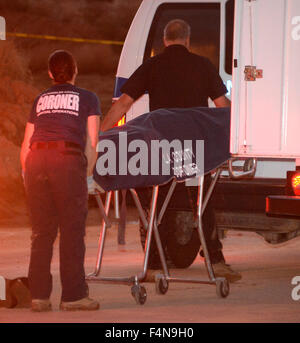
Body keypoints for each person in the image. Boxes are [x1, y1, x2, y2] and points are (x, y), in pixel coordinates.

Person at [101, 19, 241, 282]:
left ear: (165, 40)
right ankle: (217, 261)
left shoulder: (152, 66)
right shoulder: (203, 66)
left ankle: (154, 265)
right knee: (203, 202)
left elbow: (122, 105)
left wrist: (101, 137)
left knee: (155, 203)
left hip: (163, 152)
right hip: (193, 153)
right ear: (187, 40)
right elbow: (223, 106)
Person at [20, 50, 101, 311]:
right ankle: (74, 296)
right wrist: (85, 175)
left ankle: (39, 296)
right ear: (75, 70)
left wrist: (26, 175)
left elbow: (26, 144)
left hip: (36, 160)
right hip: (66, 159)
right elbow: (92, 142)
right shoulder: (88, 98)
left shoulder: (39, 99)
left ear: (50, 73)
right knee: (71, 229)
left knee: (41, 232)